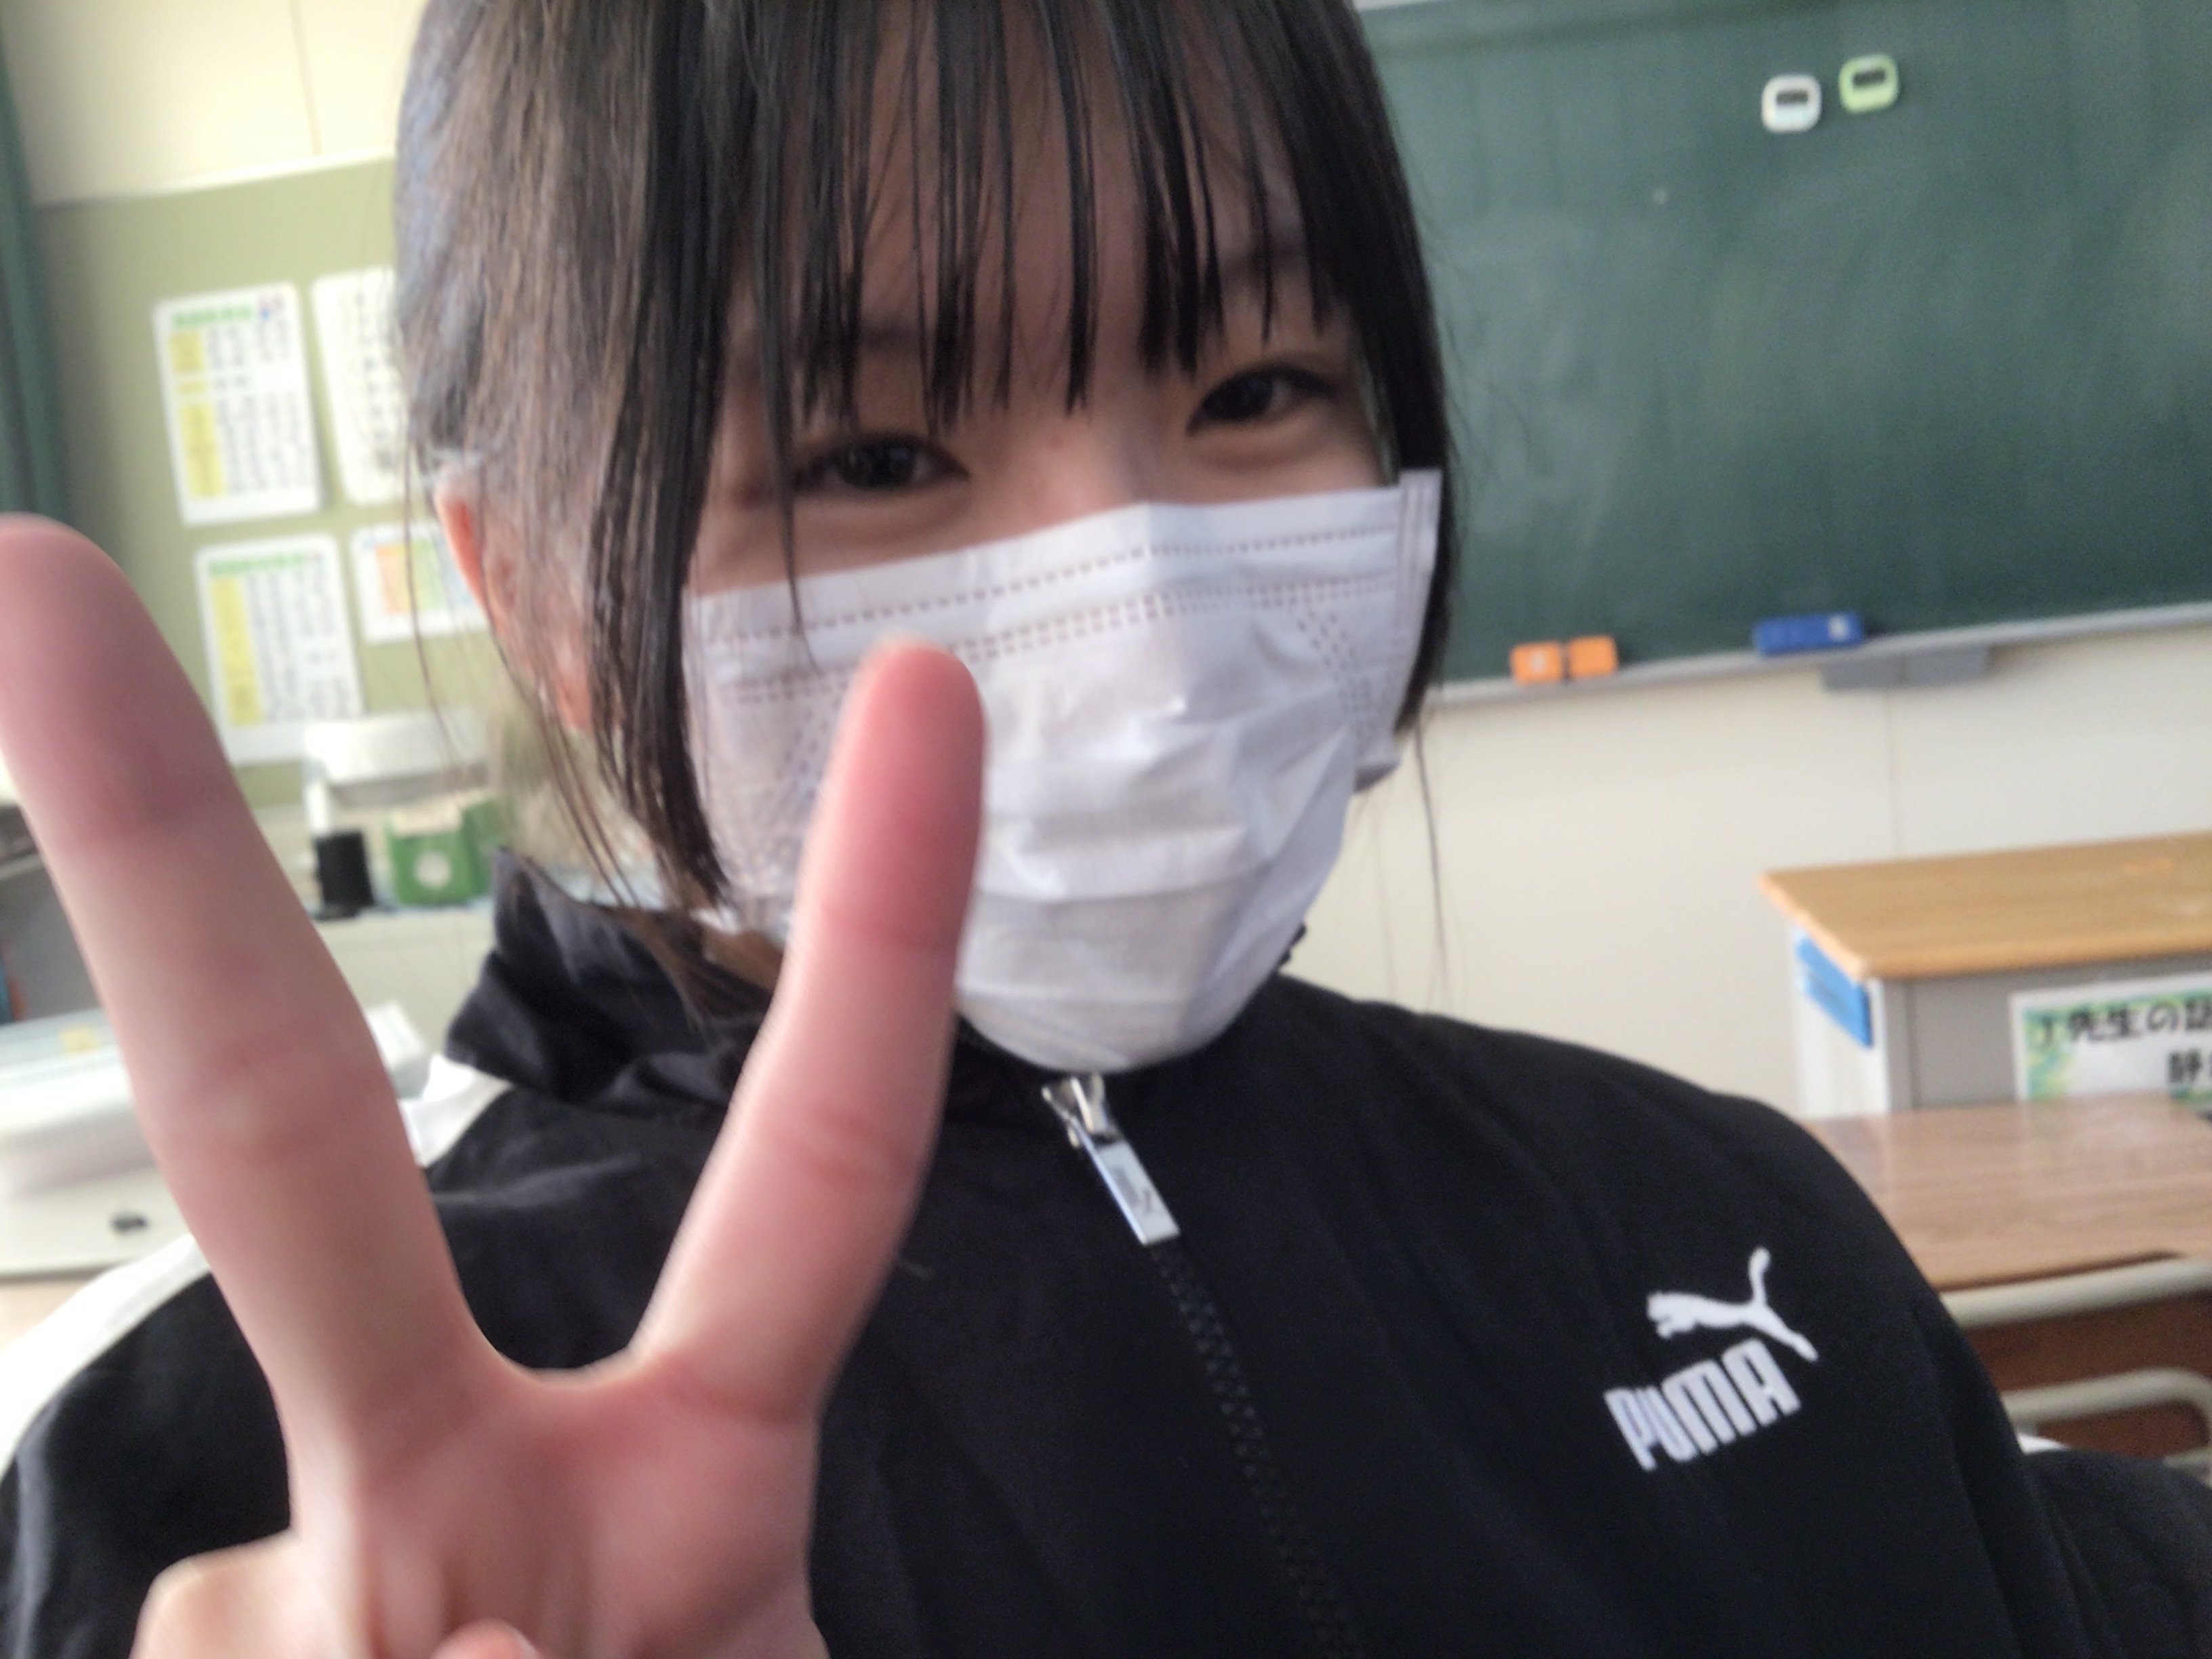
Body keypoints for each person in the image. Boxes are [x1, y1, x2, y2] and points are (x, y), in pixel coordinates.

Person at [0, 1, 2206, 1655]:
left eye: (1255, 391)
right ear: (537, 595)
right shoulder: (204, 1468)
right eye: (872, 456)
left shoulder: (1710, 1210)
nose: (1143, 621)